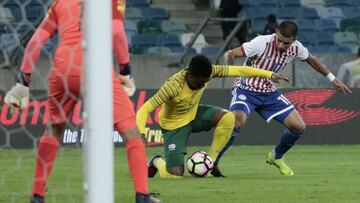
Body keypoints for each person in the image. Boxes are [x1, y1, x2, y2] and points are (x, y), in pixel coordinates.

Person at [4, 0, 160, 202]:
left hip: (63, 67)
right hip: (95, 66)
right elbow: (117, 32)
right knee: (131, 132)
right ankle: (142, 195)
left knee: (53, 131)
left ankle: (37, 195)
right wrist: (126, 70)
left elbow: (36, 40)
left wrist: (23, 80)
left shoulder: (60, 2)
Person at [217, 20, 351, 176]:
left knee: (298, 127)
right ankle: (213, 162)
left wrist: (333, 79)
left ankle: (276, 156)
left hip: (269, 93)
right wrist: (231, 66)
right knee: (236, 122)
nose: (281, 45)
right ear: (276, 33)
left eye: (285, 43)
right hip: (246, 89)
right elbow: (231, 53)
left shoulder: (297, 48)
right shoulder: (261, 42)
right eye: (279, 40)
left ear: (294, 39)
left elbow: (312, 60)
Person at [136, 54, 290, 178]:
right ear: (189, 75)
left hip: (194, 115)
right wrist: (141, 132)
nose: (202, 85)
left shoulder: (210, 71)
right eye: (199, 83)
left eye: (206, 82)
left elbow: (240, 70)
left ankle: (211, 161)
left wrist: (270, 75)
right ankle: (156, 161)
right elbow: (145, 109)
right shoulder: (173, 86)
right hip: (173, 126)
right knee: (175, 176)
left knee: (229, 117)